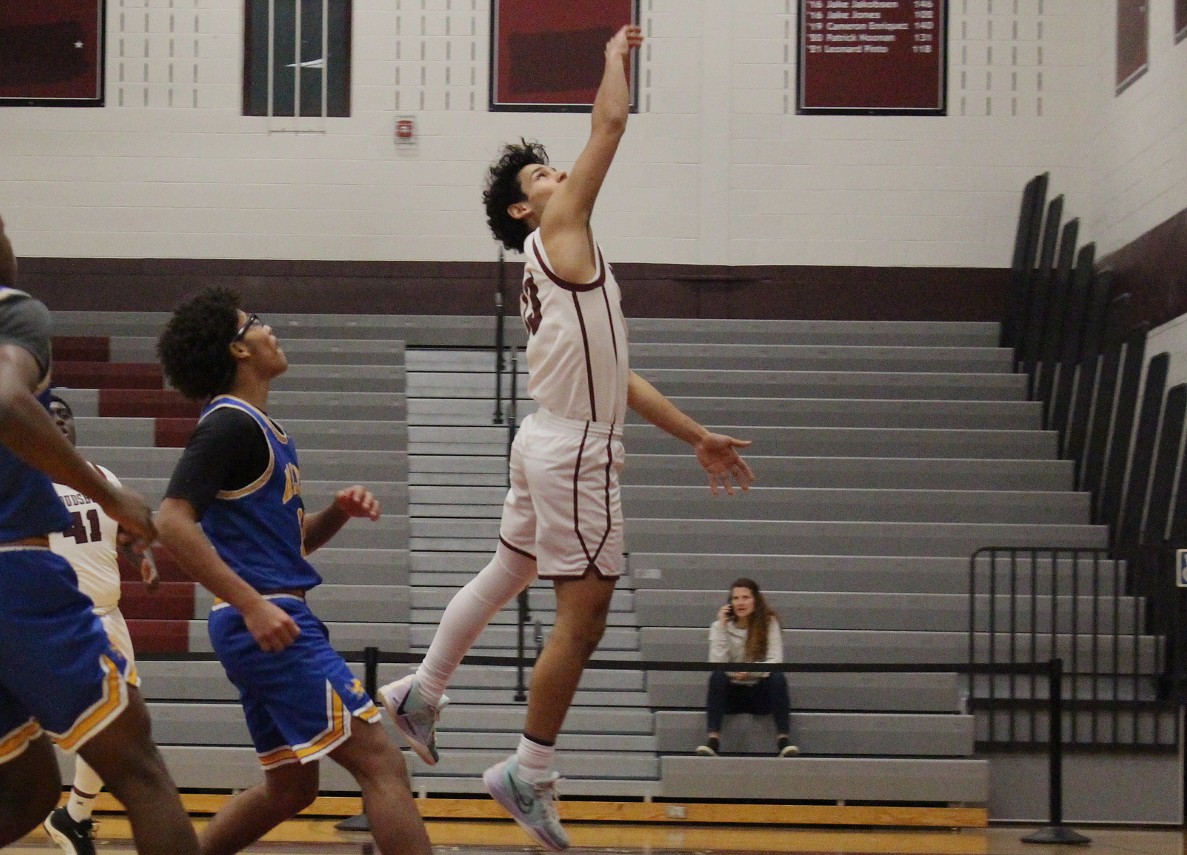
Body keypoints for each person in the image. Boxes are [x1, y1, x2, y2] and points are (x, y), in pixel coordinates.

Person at [377, 23, 754, 852]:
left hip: (549, 435)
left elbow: (615, 374)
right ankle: (529, 769)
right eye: (540, 174)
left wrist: (693, 433)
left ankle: (421, 690)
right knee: (581, 621)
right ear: (524, 208)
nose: (558, 175)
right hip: (573, 449)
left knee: (510, 567)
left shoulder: (562, 259)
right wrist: (613, 58)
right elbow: (610, 127)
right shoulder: (558, 235)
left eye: (554, 168)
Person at [153, 286, 431, 855]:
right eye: (254, 321)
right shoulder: (229, 423)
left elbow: (288, 544)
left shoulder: (262, 431)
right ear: (237, 351)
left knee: (290, 787)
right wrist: (254, 604)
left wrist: (336, 513)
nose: (268, 328)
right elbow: (172, 522)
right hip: (266, 619)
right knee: (382, 763)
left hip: (264, 616)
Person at [0, 214, 199, 855]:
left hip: (68, 596)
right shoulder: (14, 311)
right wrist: (108, 492)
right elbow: (6, 401)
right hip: (14, 579)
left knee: (26, 788)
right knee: (141, 770)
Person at [40, 394, 162, 855]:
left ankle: (75, 816)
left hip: (108, 615)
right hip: (56, 621)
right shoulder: (22, 480)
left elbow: (124, 532)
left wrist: (141, 558)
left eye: (66, 417)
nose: (60, 424)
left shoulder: (102, 478)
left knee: (123, 722)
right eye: (50, 417)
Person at [695, 578, 797, 759]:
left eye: (745, 597)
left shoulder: (769, 623)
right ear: (730, 602)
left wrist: (750, 672)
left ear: (755, 600)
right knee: (717, 677)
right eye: (735, 598)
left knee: (778, 677)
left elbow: (775, 661)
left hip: (759, 693)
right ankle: (713, 740)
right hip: (732, 693)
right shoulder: (719, 626)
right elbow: (716, 663)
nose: (740, 602)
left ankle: (783, 740)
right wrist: (721, 628)